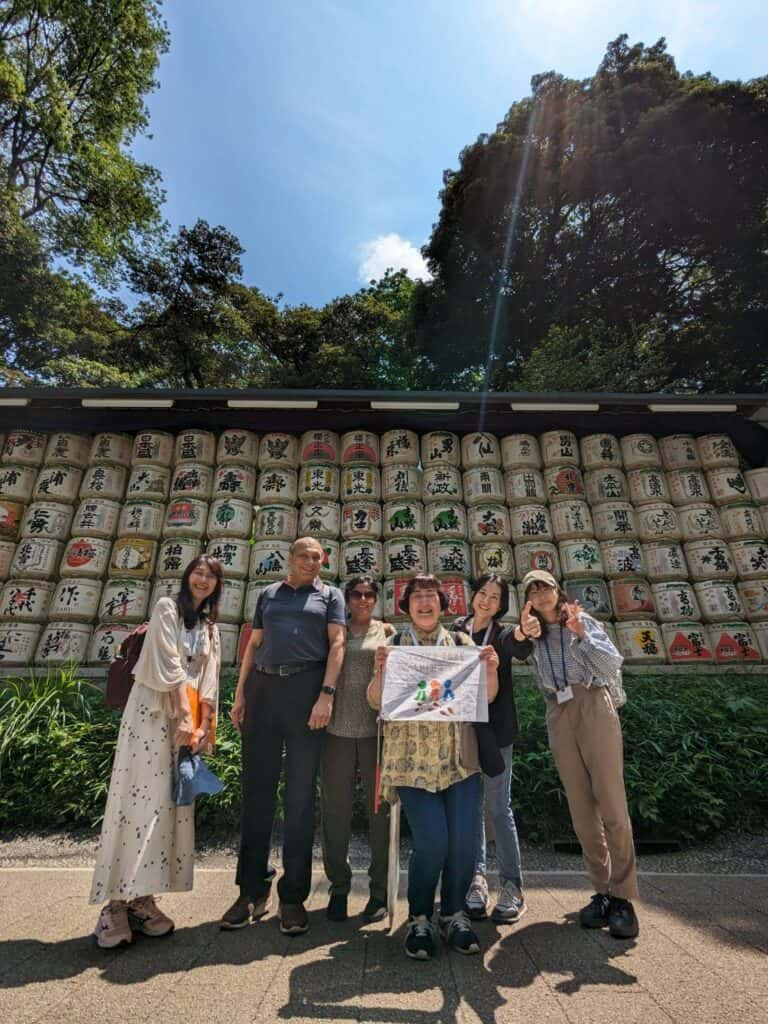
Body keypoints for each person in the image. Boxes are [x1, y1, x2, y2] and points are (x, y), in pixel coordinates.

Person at [90, 554, 223, 948]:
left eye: (211, 576)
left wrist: (205, 727)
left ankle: (143, 898)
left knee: (170, 808)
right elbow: (168, 665)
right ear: (187, 576)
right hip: (153, 715)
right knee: (136, 802)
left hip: (186, 721)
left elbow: (210, 677)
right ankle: (113, 903)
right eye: (198, 572)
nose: (203, 580)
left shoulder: (209, 626)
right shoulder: (167, 608)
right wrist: (184, 715)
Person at [367, 574, 499, 961]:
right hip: (412, 762)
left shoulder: (461, 644)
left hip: (459, 760)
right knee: (432, 842)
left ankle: (453, 913)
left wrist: (489, 668)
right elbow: (375, 702)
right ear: (406, 607)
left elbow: (484, 697)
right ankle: (420, 915)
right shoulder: (393, 645)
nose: (425, 604)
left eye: (432, 598)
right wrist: (380, 672)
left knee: (462, 843)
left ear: (444, 605)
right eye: (417, 598)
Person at [222, 537, 346, 936]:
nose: (312, 562)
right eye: (305, 556)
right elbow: (253, 645)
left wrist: (326, 695)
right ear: (290, 560)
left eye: (317, 557)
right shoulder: (268, 594)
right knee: (256, 791)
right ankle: (251, 890)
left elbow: (338, 644)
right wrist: (240, 694)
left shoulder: (330, 596)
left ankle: (293, 896)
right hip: (263, 690)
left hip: (306, 689)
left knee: (299, 797)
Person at [517, 569, 640, 940]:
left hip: (592, 702)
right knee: (581, 808)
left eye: (545, 587)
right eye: (532, 589)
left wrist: (582, 634)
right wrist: (524, 631)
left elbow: (611, 662)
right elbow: (514, 646)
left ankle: (624, 897)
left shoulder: (581, 620)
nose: (539, 594)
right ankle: (601, 890)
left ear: (557, 591)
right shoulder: (534, 633)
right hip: (558, 709)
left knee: (612, 804)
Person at [452, 574, 530, 924]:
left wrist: (524, 633)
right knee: (471, 809)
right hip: (463, 731)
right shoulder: (455, 628)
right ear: (473, 595)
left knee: (499, 808)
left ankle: (512, 885)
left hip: (496, 733)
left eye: (494, 597)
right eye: (482, 593)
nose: (486, 600)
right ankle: (477, 880)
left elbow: (518, 644)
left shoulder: (501, 633)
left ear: (502, 605)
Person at [320, 576, 394, 923]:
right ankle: (338, 887)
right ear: (347, 599)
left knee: (380, 814)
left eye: (369, 595)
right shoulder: (336, 630)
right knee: (336, 812)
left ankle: (378, 891)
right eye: (356, 595)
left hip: (375, 735)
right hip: (336, 733)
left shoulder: (388, 632)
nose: (363, 600)